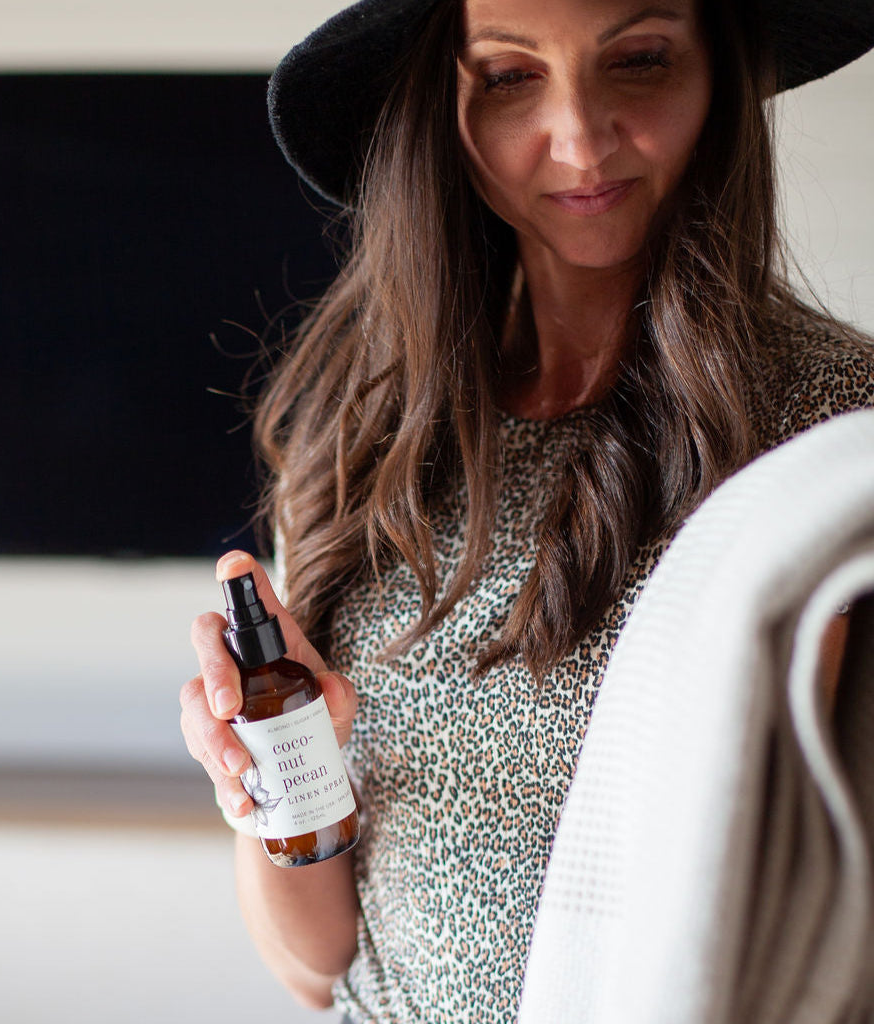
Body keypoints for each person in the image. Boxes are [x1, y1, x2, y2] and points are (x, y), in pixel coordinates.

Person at [179, 0, 874, 1020]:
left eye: (638, 60)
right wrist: (263, 784)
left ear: (717, 76)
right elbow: (314, 961)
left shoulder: (830, 441)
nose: (582, 138)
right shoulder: (360, 434)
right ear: (437, 112)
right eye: (507, 77)